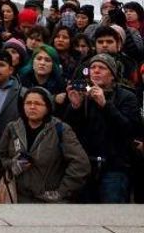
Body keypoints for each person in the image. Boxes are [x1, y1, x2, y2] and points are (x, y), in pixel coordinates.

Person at [56, 54, 143, 203]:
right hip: (85, 167)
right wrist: (75, 107)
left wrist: (105, 104)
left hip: (114, 167)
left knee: (112, 215)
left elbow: (129, 129)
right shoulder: (83, 96)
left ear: (112, 75)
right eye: (93, 68)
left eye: (101, 68)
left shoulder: (127, 97)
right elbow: (69, 131)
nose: (96, 71)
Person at [0, 87, 90, 203]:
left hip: (48, 202)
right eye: (28, 103)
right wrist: (12, 165)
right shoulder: (12, 128)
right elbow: (0, 157)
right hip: (16, 199)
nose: (32, 107)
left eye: (38, 104)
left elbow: (81, 164)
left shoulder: (61, 129)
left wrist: (62, 192)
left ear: (48, 107)